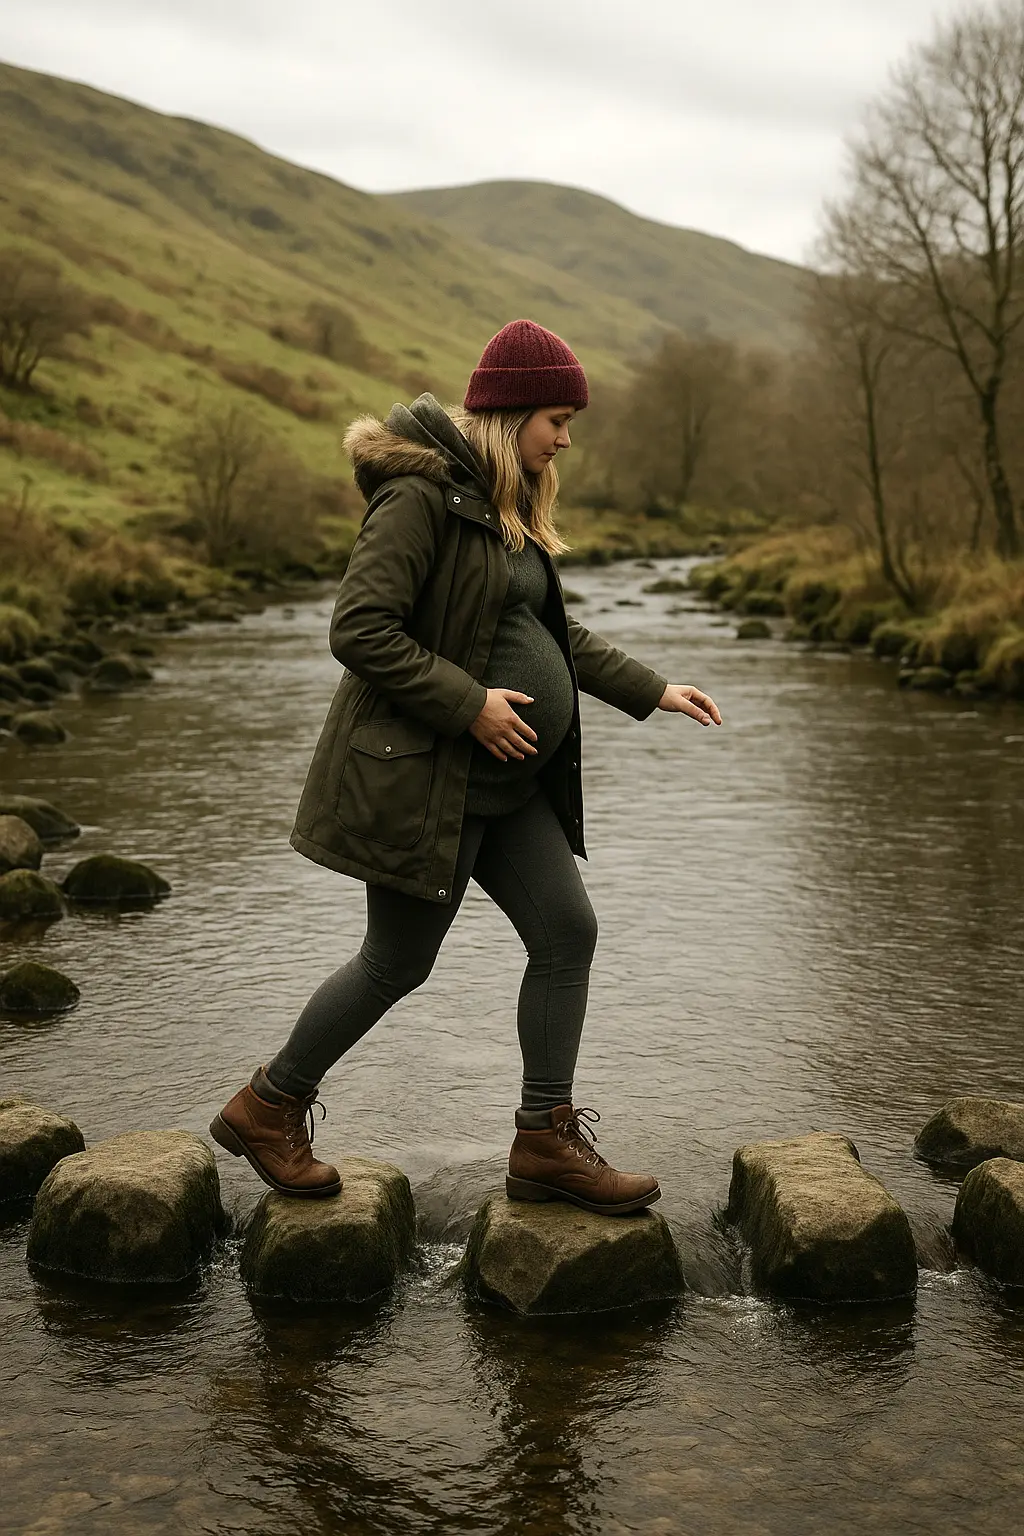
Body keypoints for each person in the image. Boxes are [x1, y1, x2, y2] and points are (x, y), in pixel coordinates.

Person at [210, 319, 722, 1215]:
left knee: (568, 933)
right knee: (395, 964)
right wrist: (471, 703)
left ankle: (544, 1140)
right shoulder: (421, 496)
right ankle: (268, 1105)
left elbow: (548, 638)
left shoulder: (503, 503)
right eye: (557, 419)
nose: (566, 438)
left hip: (507, 782)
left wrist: (652, 688)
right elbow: (360, 629)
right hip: (428, 781)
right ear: (511, 410)